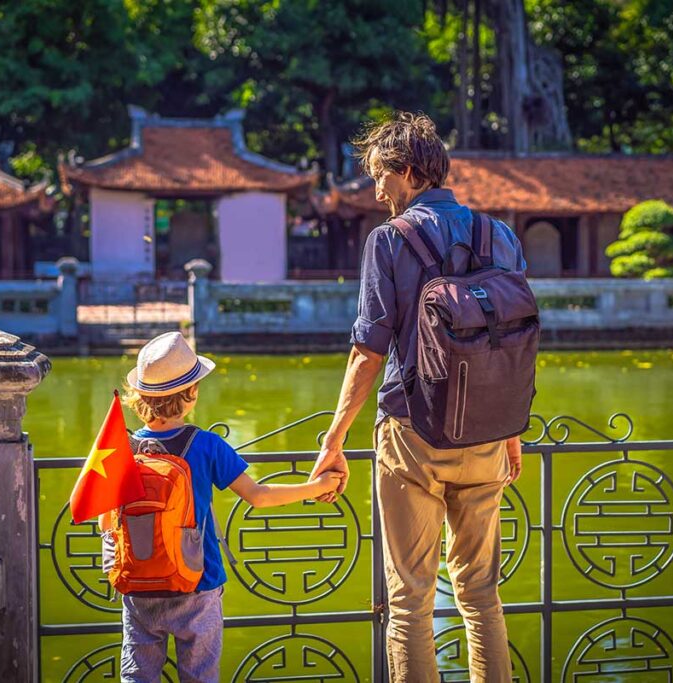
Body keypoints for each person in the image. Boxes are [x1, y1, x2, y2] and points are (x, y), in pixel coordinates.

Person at [309, 112, 526, 682]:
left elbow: (367, 352)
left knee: (409, 600)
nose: (376, 190)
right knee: (481, 593)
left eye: (380, 176)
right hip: (486, 433)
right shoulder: (498, 234)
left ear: (407, 172)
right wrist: (512, 429)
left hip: (412, 435)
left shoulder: (389, 240)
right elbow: (511, 339)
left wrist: (334, 440)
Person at [119, 331, 343, 682]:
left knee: (138, 676)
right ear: (191, 394)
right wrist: (315, 487)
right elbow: (259, 496)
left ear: (141, 397)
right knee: (200, 675)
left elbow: (99, 513)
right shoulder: (206, 445)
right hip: (198, 581)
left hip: (138, 584)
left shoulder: (122, 447)